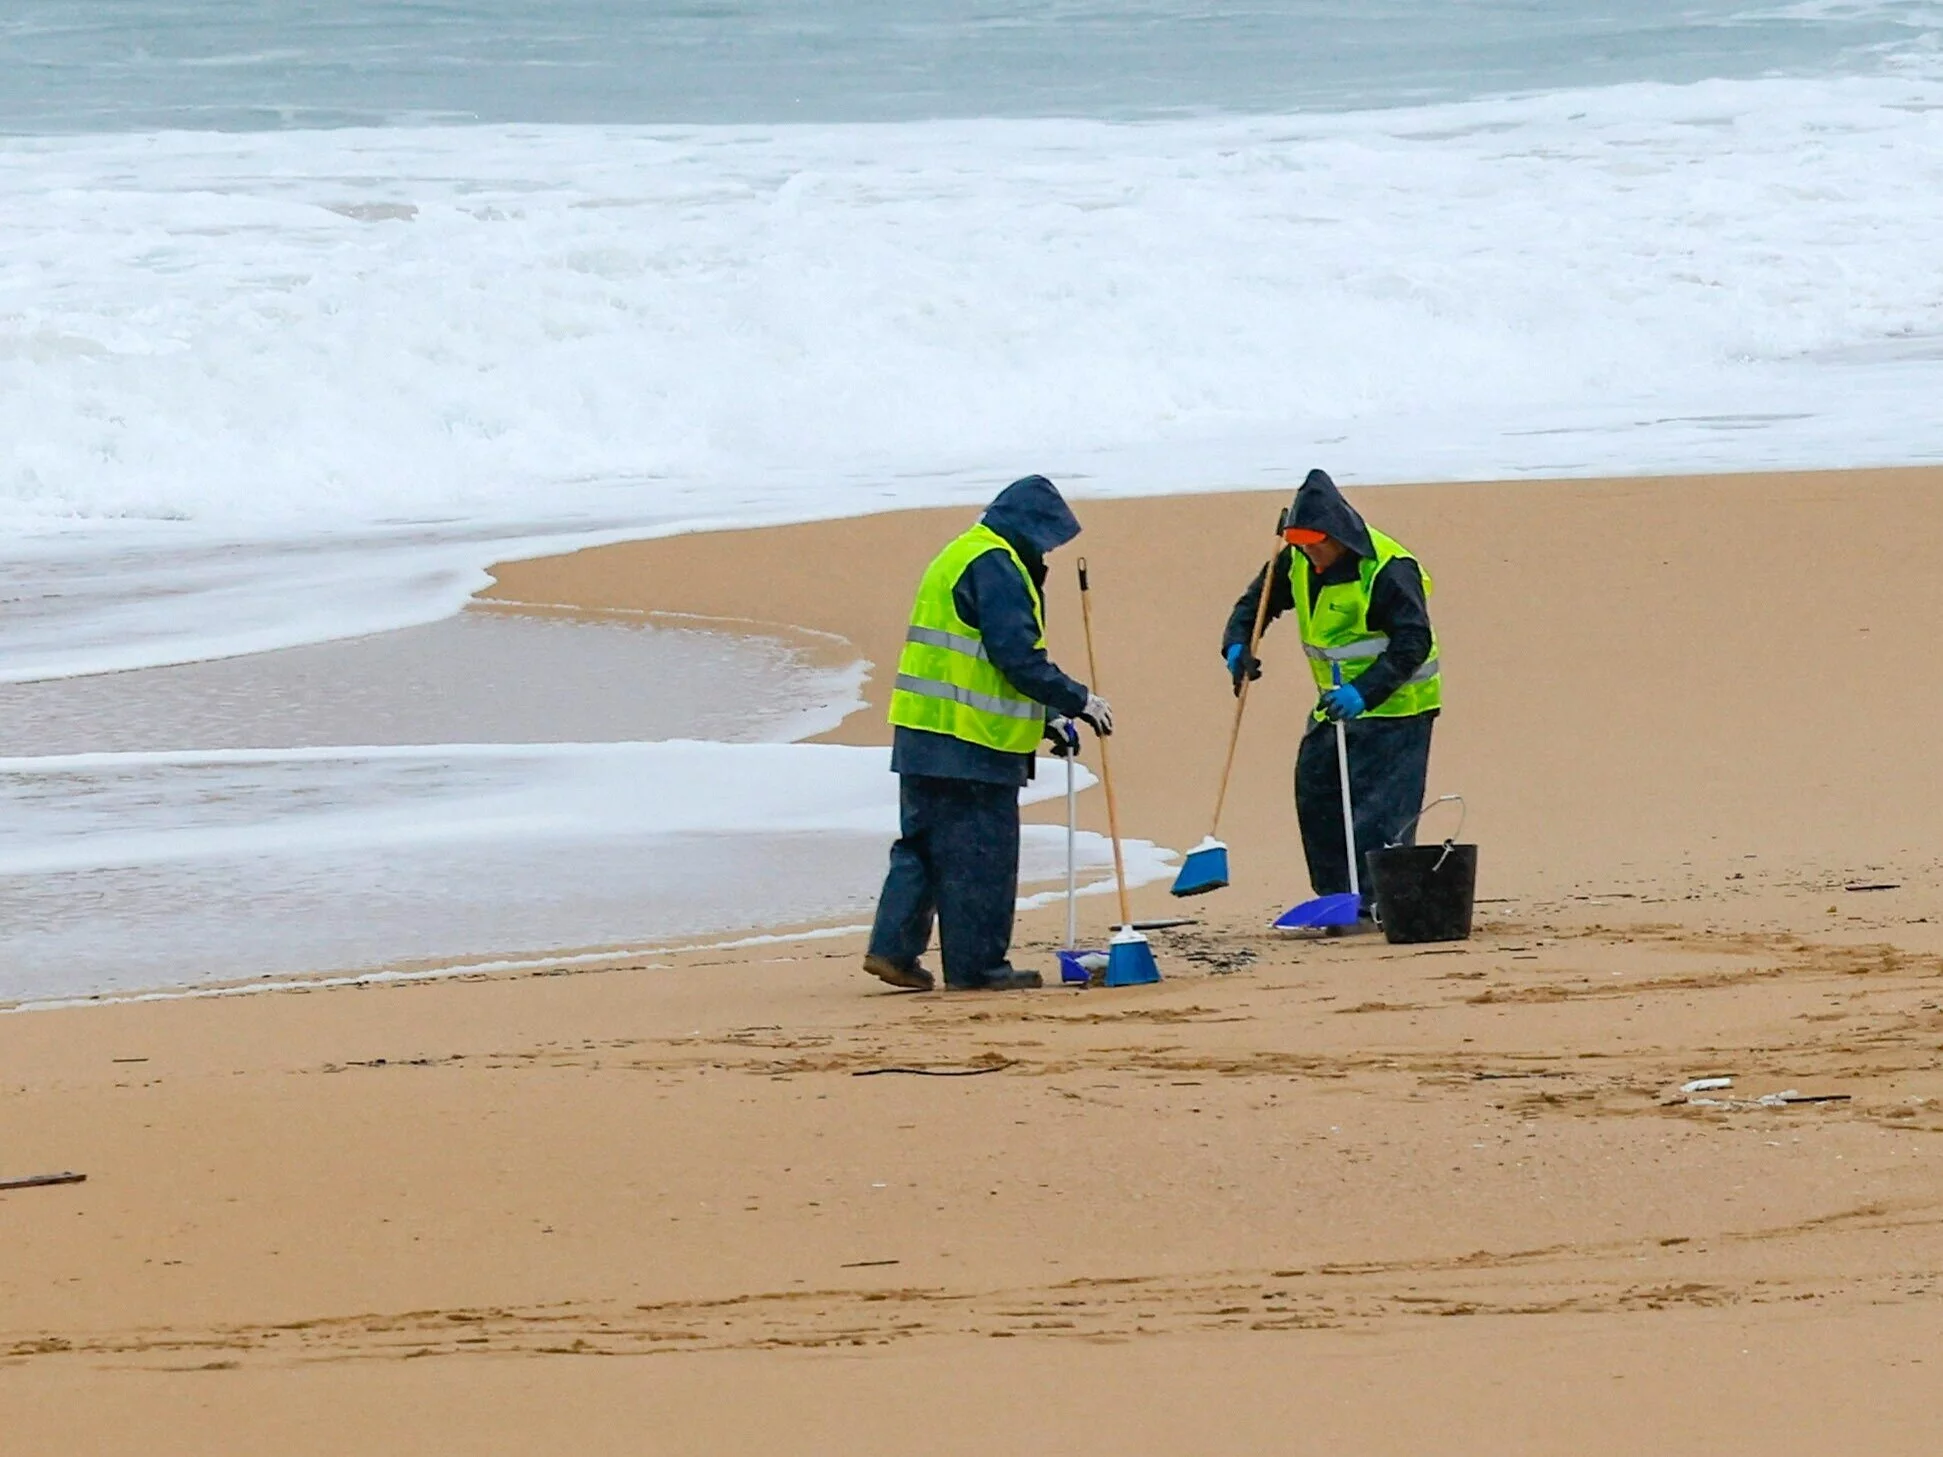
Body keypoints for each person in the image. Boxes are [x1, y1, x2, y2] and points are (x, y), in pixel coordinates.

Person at [865, 475, 1112, 992]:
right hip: (973, 743)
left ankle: (893, 951)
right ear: (1027, 527)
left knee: (923, 849)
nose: (1047, 549)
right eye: (1047, 538)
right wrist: (1078, 701)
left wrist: (1046, 718)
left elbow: (975, 660)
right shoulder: (996, 564)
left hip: (922, 734)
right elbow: (1015, 657)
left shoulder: (961, 553)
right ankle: (978, 968)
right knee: (982, 858)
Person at [1220, 468, 1440, 925]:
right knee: (1317, 792)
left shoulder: (1387, 570)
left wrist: (1365, 692)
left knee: (1379, 814)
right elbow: (1256, 602)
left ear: (1339, 535)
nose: (1309, 554)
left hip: (1400, 706)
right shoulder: (1297, 558)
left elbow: (1413, 642)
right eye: (1300, 545)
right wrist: (1238, 643)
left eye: (1316, 544)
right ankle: (1338, 897)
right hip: (1335, 706)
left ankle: (1378, 903)